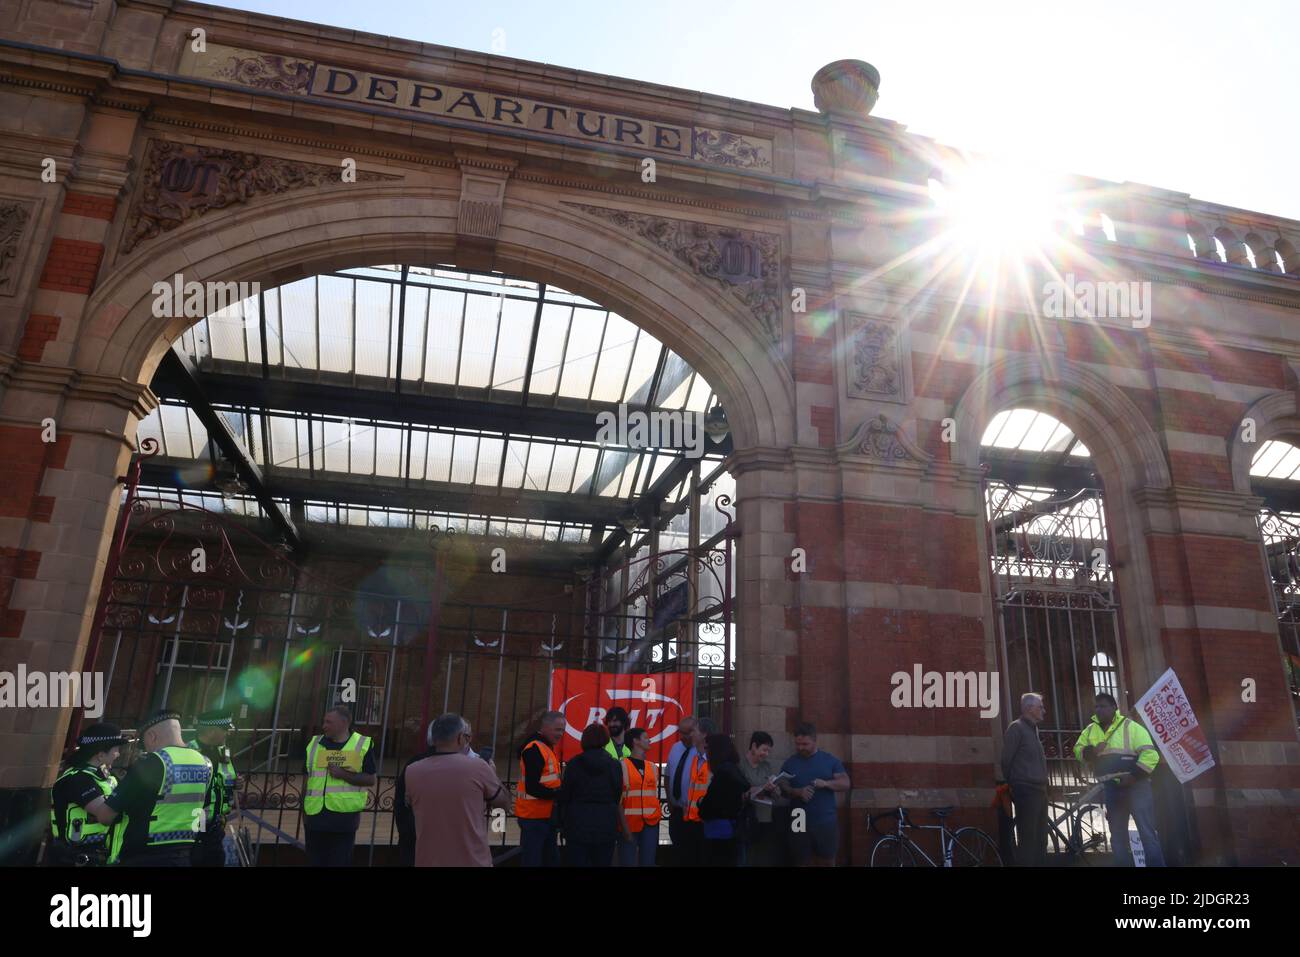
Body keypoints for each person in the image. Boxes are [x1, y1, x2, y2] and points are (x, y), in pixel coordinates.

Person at [89, 710, 215, 867]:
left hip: (144, 856)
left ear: (152, 736)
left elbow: (105, 816)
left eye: (143, 743)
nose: (145, 749)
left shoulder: (153, 763)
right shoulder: (205, 764)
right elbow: (204, 810)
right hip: (184, 855)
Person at [404, 713, 511, 867]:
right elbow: (504, 804)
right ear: (461, 738)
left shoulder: (412, 771)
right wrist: (492, 775)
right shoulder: (478, 767)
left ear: (434, 739)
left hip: (428, 860)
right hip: (471, 860)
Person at [1074, 693, 1165, 867]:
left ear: (1114, 708)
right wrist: (1091, 751)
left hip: (1137, 786)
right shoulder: (1090, 730)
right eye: (1097, 706)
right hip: (1112, 789)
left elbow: (1150, 754)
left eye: (1103, 706)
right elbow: (1077, 751)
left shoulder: (1131, 727)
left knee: (1147, 833)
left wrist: (1134, 777)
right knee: (1117, 837)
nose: (1099, 709)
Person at [302, 705, 376, 867]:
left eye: (329, 722)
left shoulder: (362, 744)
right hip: (315, 817)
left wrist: (343, 774)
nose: (324, 726)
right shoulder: (315, 744)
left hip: (343, 819)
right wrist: (304, 813)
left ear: (344, 723)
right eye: (324, 721)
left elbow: (370, 779)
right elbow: (307, 780)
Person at [47, 722, 129, 866]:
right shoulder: (78, 779)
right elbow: (106, 814)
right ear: (101, 755)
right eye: (116, 749)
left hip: (101, 855)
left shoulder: (106, 777)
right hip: (75, 858)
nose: (118, 754)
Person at [778, 721, 850, 866]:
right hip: (798, 821)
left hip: (825, 821)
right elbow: (782, 787)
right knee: (800, 861)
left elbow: (845, 783)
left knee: (827, 861)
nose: (800, 748)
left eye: (805, 744)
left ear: (815, 740)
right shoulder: (790, 763)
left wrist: (826, 783)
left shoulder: (829, 760)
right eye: (798, 744)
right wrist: (797, 792)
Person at [557, 723, 622, 866]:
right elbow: (617, 794)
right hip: (605, 824)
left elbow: (566, 795)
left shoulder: (574, 764)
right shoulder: (614, 765)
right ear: (605, 740)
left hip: (577, 824)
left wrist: (562, 822)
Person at [1001, 692, 1049, 866]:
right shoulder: (1016, 728)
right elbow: (1006, 760)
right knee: (1028, 840)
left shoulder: (1033, 729)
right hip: (1027, 790)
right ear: (1029, 708)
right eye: (1040, 707)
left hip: (1040, 790)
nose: (1044, 710)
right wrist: (1014, 784)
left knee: (1041, 839)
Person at [187, 707, 239, 867]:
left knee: (215, 859)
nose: (227, 733)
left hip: (216, 821)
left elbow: (223, 777)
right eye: (224, 729)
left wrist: (235, 783)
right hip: (197, 819)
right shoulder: (190, 752)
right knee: (198, 858)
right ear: (211, 731)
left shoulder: (223, 752)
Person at [517, 710, 565, 867]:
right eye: (557, 729)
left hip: (544, 816)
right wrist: (557, 794)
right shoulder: (535, 748)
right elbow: (532, 787)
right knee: (534, 860)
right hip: (534, 817)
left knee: (548, 859)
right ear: (545, 727)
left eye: (563, 730)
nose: (561, 734)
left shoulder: (544, 747)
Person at [394, 719, 440, 866]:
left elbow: (400, 802)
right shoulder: (467, 767)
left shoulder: (413, 763)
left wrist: (404, 830)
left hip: (413, 833)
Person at [698, 733, 747, 866]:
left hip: (719, 837)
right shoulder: (734, 770)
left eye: (708, 748)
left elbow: (707, 809)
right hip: (733, 833)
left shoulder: (723, 774)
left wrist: (701, 803)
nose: (706, 752)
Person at [617, 727, 661, 867]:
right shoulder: (621, 765)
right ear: (635, 741)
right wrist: (624, 828)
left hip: (651, 823)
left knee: (648, 862)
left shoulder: (653, 767)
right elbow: (618, 801)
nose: (649, 740)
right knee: (627, 862)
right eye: (646, 737)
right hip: (628, 824)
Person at [738, 730, 782, 866]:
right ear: (754, 746)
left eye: (768, 751)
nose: (766, 754)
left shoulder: (766, 766)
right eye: (764, 750)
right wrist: (761, 787)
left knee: (762, 856)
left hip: (765, 818)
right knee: (745, 856)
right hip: (747, 818)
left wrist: (774, 788)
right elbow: (739, 791)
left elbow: (777, 793)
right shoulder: (740, 765)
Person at [679, 716, 717, 866]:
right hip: (691, 822)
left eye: (694, 731)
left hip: (705, 824)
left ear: (704, 734)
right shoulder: (696, 758)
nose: (691, 734)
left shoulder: (715, 761)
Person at [665, 715, 699, 856]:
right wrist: (669, 801)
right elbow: (668, 776)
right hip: (677, 811)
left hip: (694, 814)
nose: (682, 736)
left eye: (686, 733)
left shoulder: (701, 752)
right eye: (681, 732)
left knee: (693, 853)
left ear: (695, 731)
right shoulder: (675, 748)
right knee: (678, 852)